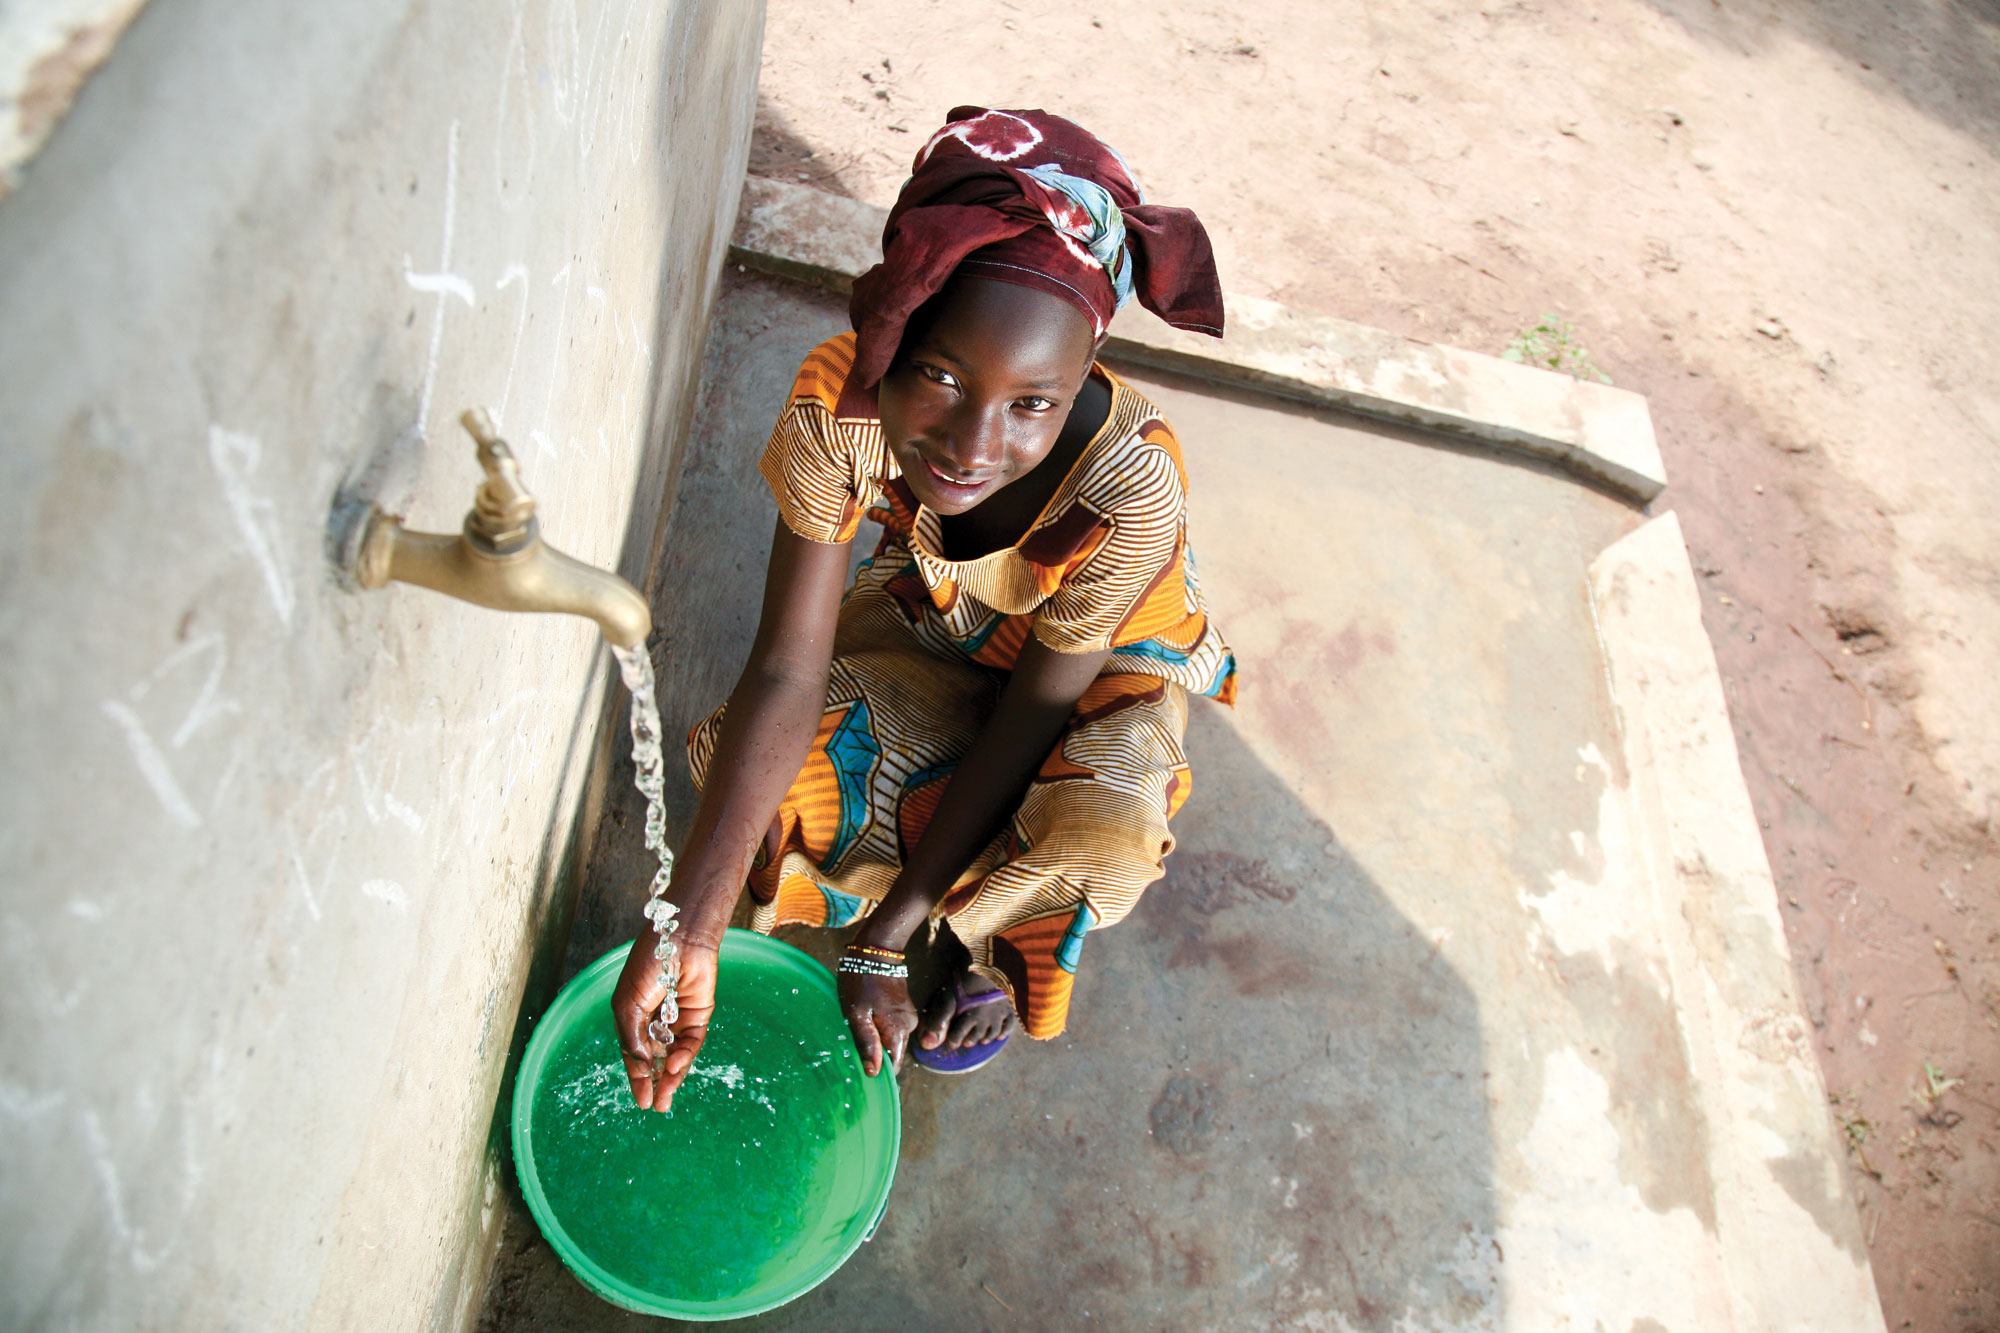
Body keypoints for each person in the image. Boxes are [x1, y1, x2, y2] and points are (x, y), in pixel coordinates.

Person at [613, 106, 1234, 1109]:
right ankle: (914, 904)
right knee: (759, 773)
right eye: (938, 374)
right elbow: (785, 666)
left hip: (1090, 685)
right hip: (930, 617)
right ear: (887, 330)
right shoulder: (836, 409)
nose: (971, 445)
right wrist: (689, 919)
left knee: (1098, 839)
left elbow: (1036, 712)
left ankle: (971, 939)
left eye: (1033, 401)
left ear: (1082, 377)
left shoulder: (1127, 488)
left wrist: (885, 943)